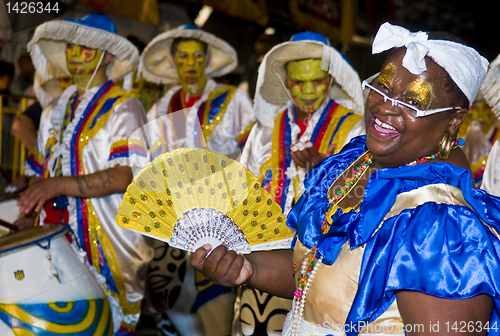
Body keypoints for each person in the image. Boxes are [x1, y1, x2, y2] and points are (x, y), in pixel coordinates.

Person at [191, 22, 500, 336]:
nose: (386, 107)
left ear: (454, 120)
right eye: (384, 86)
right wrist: (248, 267)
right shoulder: (352, 164)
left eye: (415, 102)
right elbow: (313, 273)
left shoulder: (438, 225)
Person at [19, 14, 154, 335]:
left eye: (86, 48)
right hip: (56, 233)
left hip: (110, 239)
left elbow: (124, 176)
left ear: (107, 55)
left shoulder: (125, 107)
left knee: (105, 322)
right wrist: (31, 207)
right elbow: (42, 169)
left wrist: (56, 185)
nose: (76, 54)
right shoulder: (53, 109)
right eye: (71, 47)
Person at [236, 31, 365, 336]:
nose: (308, 90)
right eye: (298, 81)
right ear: (285, 81)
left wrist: (325, 171)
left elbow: (363, 196)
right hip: (262, 253)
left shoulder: (354, 129)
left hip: (323, 264)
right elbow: (241, 189)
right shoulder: (264, 130)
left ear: (331, 80)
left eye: (317, 80)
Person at [138, 24, 256, 336]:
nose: (190, 63)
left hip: (222, 215)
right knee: (171, 295)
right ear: (174, 61)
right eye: (183, 56)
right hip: (175, 218)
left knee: (216, 291)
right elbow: (147, 158)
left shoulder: (232, 100)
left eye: (197, 56)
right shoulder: (164, 104)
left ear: (206, 59)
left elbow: (254, 151)